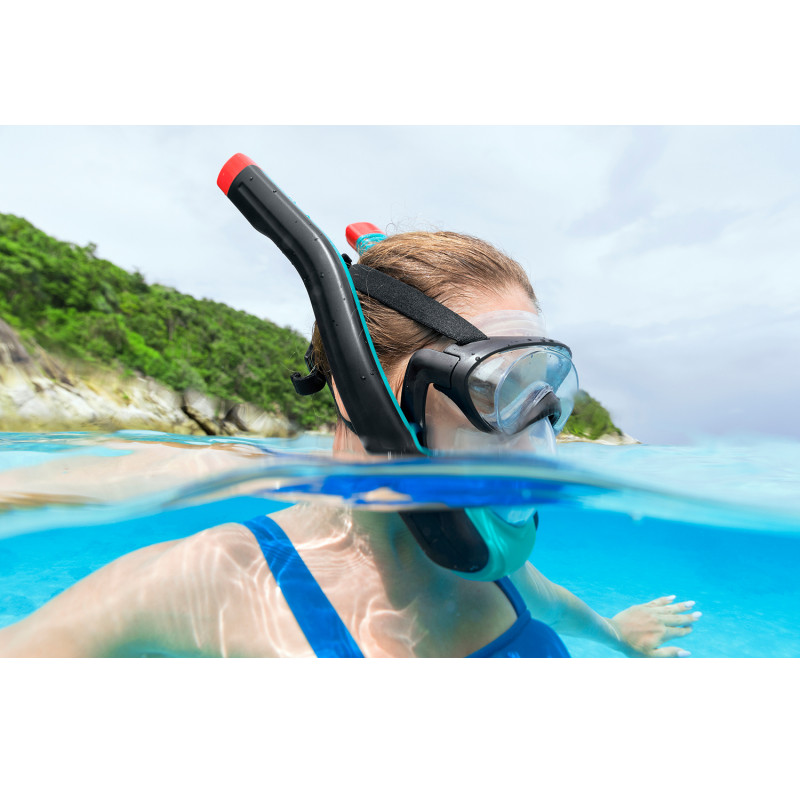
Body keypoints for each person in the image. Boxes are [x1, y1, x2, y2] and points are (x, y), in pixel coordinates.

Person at [0, 227, 700, 658]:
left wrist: (617, 634)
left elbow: (555, 605)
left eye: (546, 395)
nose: (537, 447)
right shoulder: (211, 580)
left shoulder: (489, 565)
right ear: (359, 391)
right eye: (496, 390)